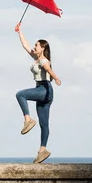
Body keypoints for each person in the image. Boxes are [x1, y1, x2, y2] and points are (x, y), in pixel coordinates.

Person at [14, 22, 62, 164]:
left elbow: (48, 68)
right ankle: (42, 150)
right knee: (44, 124)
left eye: (36, 46)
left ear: (42, 49)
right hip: (46, 92)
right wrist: (19, 31)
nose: (34, 47)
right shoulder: (36, 57)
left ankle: (28, 120)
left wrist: (56, 77)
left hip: (43, 89)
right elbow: (25, 45)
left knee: (20, 94)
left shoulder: (42, 59)